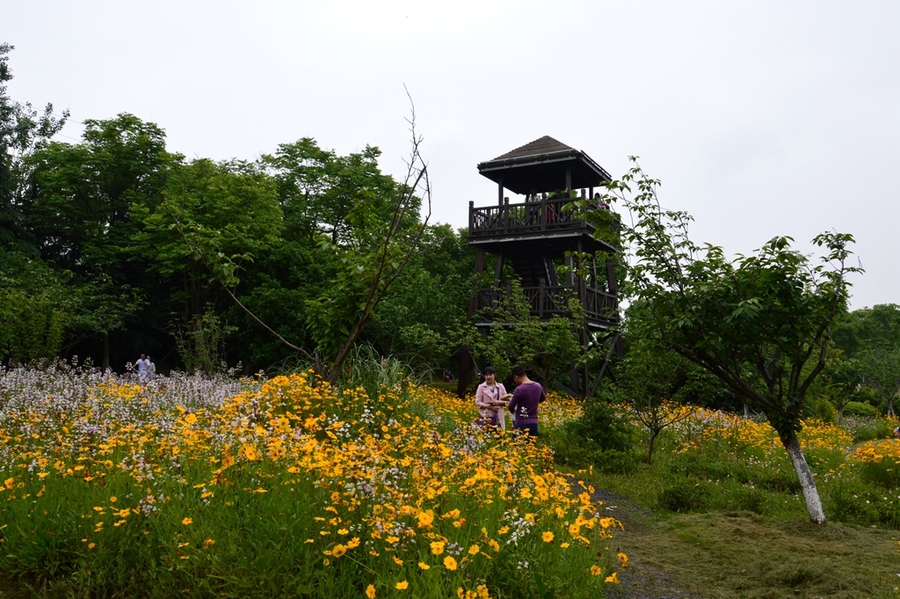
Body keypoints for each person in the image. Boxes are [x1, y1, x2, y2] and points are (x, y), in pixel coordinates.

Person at [506, 365, 545, 437]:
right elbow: (542, 398)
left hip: (521, 422)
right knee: (531, 446)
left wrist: (508, 403)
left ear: (516, 377)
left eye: (514, 379)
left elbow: (511, 407)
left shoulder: (519, 389)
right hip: (534, 423)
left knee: (516, 446)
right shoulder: (538, 386)